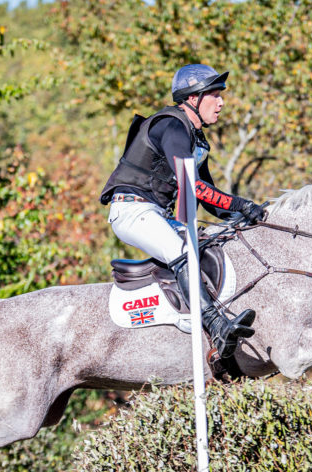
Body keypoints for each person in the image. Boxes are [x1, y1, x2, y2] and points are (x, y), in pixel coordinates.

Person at [100, 64, 267, 360]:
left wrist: (250, 220)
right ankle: (216, 325)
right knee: (183, 251)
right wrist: (241, 205)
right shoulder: (171, 126)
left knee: (213, 243)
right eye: (214, 95)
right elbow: (190, 185)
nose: (221, 102)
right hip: (131, 209)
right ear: (193, 99)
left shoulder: (196, 138)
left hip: (155, 213)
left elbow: (212, 202)